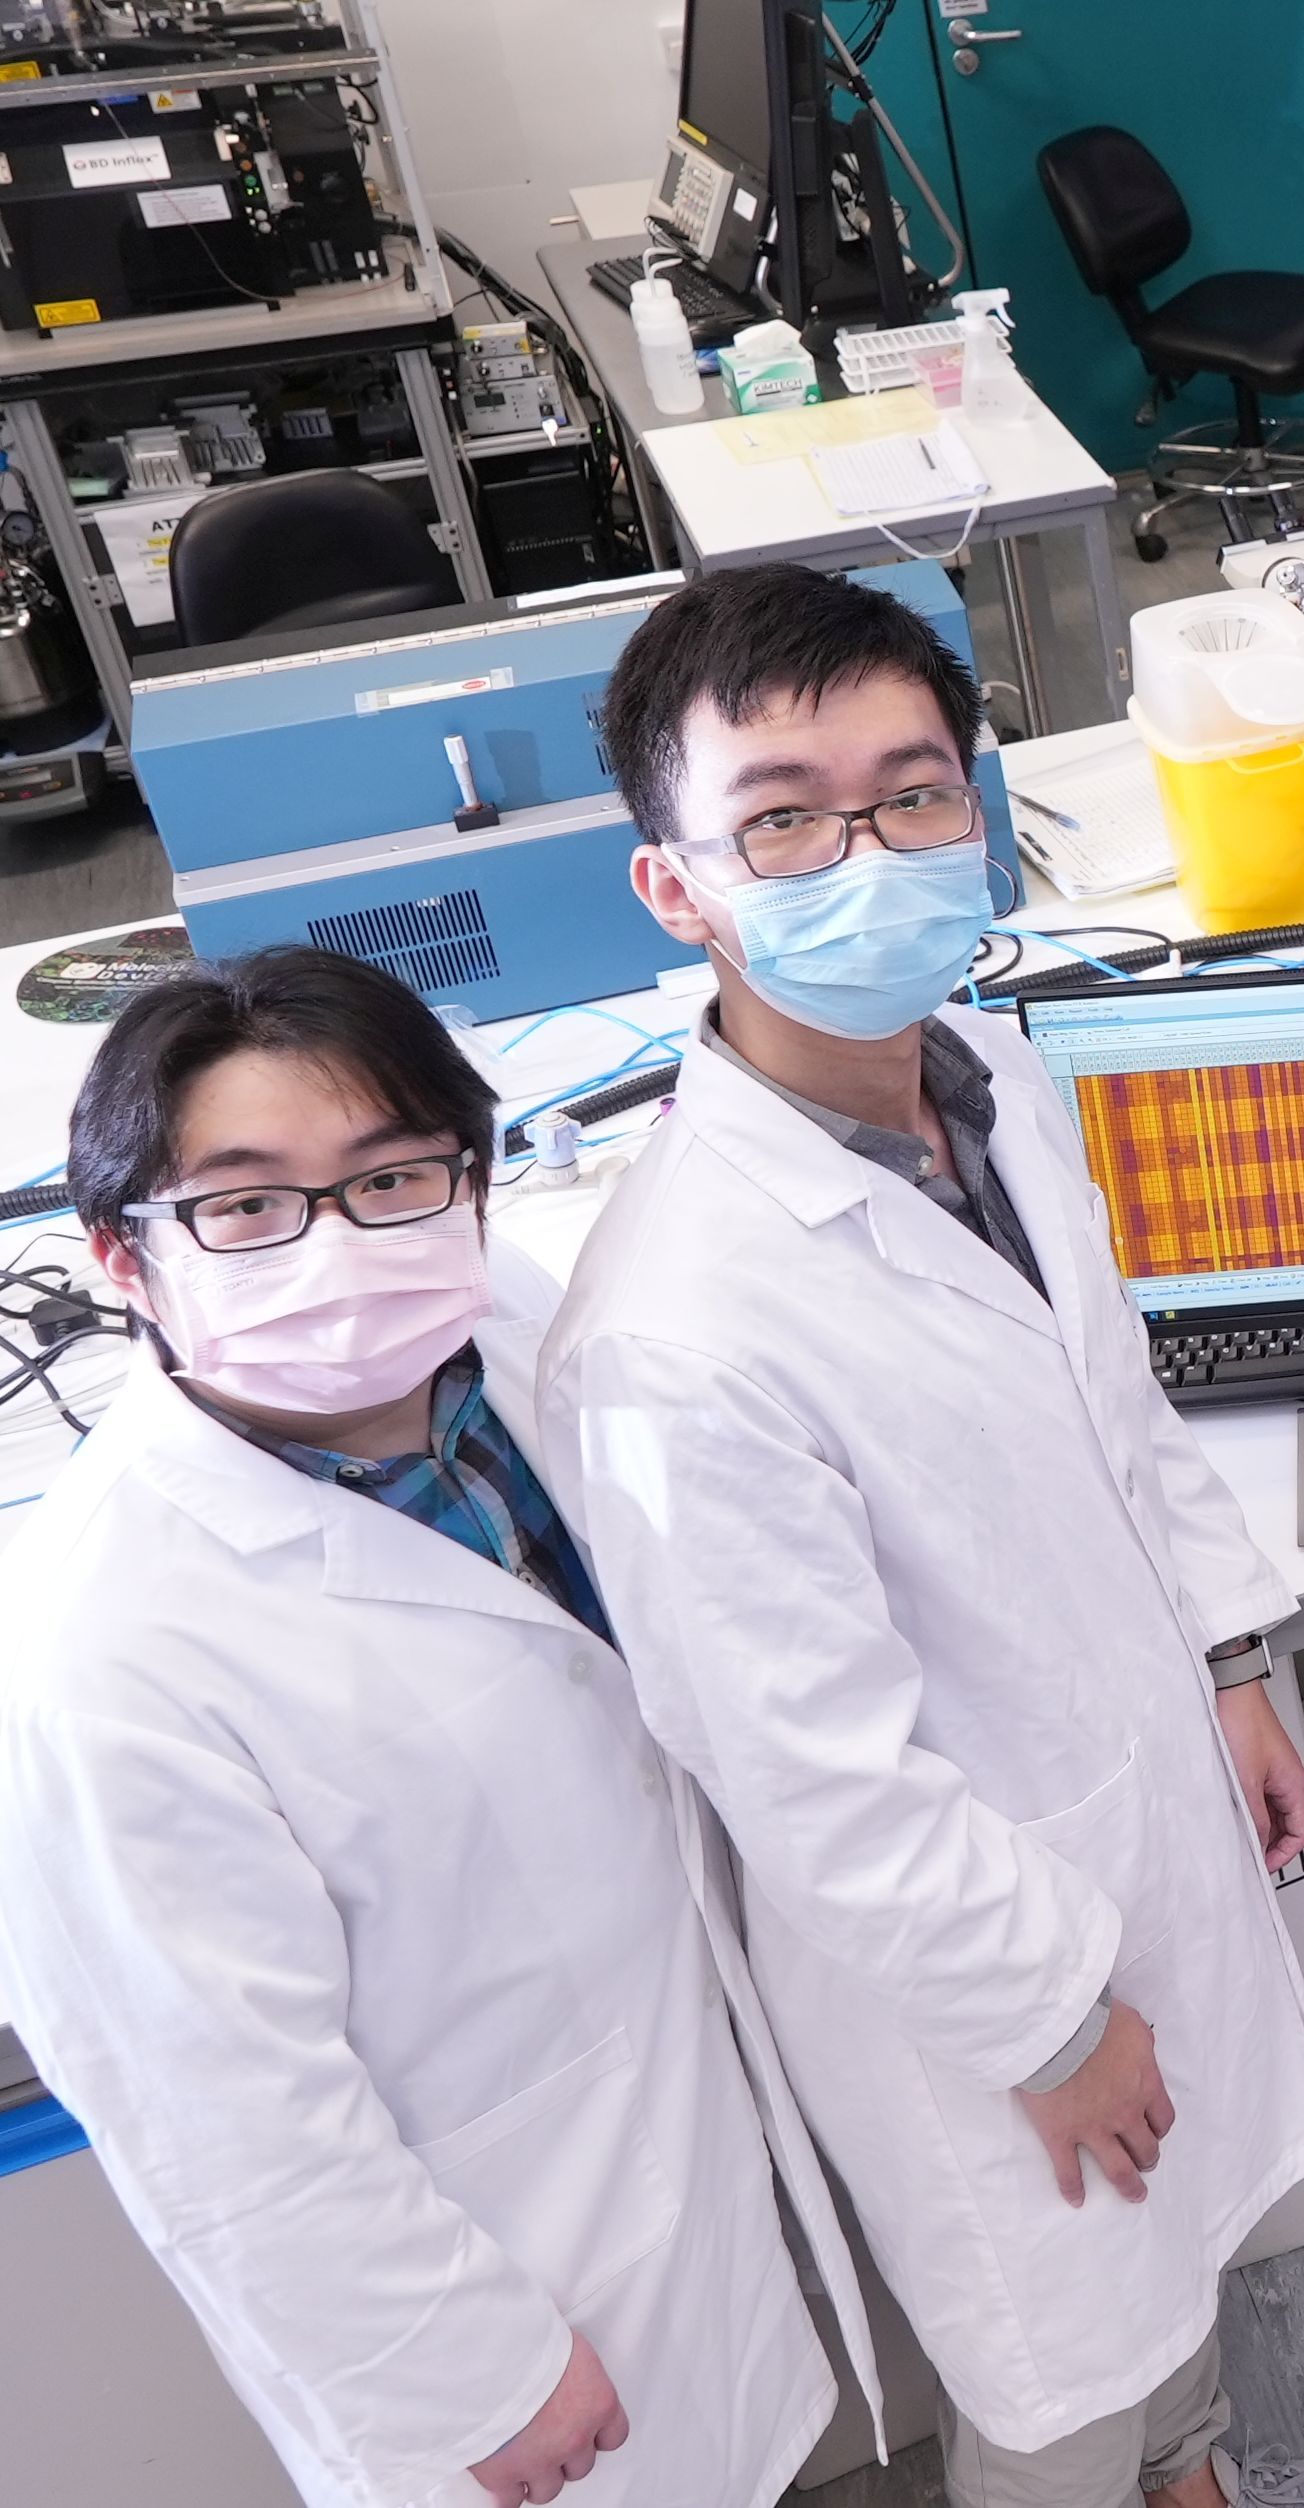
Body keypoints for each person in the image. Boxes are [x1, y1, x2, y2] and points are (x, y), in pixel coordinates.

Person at [538, 566, 1304, 2508]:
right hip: (976, 1975)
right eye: (783, 818)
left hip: (1135, 1793)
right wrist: (1048, 2019)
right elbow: (812, 1781)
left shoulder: (988, 1080)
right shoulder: (676, 1334)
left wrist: (1228, 1662)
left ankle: (1199, 2485)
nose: (866, 852)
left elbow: (1115, 1405)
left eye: (912, 791)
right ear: (677, 886)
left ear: (979, 808)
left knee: (1178, 2252)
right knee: (1056, 2376)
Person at [0, 947, 838, 2507]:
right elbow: (218, 2119)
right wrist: (469, 2374)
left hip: (672, 2136)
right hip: (499, 2313)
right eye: (246, 1206)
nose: (338, 1245)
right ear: (121, 1257)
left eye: (390, 1178)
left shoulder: (499, 1337)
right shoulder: (102, 1653)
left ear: (472, 1181)